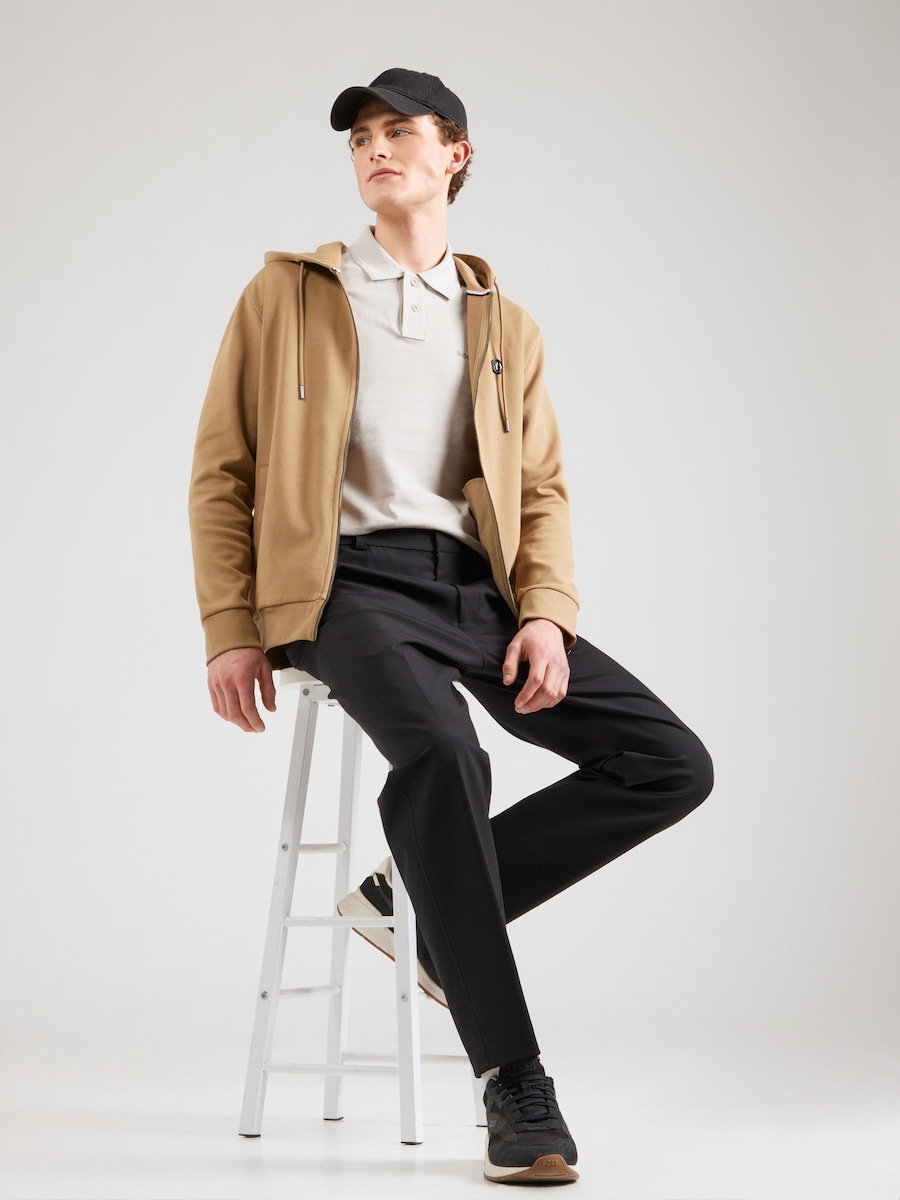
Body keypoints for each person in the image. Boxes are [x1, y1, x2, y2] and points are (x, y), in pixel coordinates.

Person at [189, 67, 713, 1186]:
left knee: (670, 762)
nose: (374, 151)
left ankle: (416, 905)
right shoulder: (287, 296)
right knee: (445, 752)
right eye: (359, 139)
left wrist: (546, 615)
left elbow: (542, 490)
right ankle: (514, 1084)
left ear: (455, 154)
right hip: (343, 587)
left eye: (398, 132)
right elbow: (222, 472)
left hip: (476, 589)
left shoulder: (502, 324)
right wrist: (231, 625)